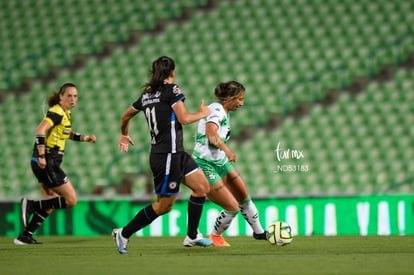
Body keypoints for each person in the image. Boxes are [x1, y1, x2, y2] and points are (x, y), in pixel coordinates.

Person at [112, 56, 212, 254]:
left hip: (176, 154)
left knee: (202, 187)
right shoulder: (172, 90)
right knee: (164, 205)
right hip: (166, 156)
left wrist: (124, 134)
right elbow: (183, 118)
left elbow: (125, 116)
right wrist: (203, 113)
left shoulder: (147, 95)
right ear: (172, 72)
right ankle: (124, 233)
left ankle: (192, 236)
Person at [14, 83, 97, 245]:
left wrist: (85, 138)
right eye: (69, 96)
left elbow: (66, 133)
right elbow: (40, 130)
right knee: (71, 199)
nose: (73, 99)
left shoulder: (66, 114)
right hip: (47, 161)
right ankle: (30, 205)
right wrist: (42, 154)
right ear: (61, 96)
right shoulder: (56, 112)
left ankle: (25, 236)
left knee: (50, 202)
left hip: (47, 162)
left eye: (75, 96)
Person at [192, 80, 268, 247]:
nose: (242, 103)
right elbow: (211, 133)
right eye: (239, 99)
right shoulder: (217, 110)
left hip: (219, 161)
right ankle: (215, 236)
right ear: (229, 98)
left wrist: (224, 154)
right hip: (204, 164)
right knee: (232, 206)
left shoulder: (224, 112)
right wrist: (227, 150)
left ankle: (259, 232)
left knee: (244, 196)